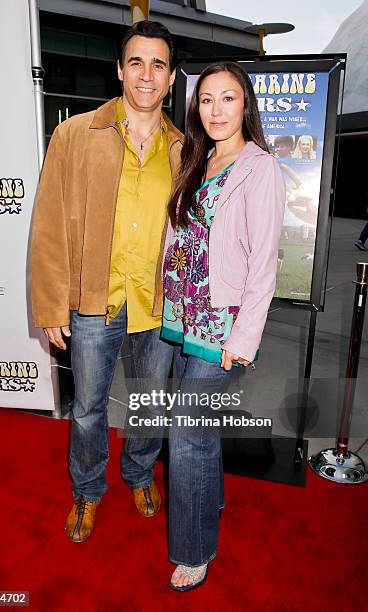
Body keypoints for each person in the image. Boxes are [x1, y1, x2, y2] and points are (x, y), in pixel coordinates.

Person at [30, 21, 182, 542]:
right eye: (136, 62)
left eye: (157, 64)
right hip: (95, 300)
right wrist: (50, 305)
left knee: (149, 402)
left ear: (171, 77)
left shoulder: (186, 149)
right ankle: (88, 490)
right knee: (89, 408)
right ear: (119, 69)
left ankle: (140, 474)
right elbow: (48, 223)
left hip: (158, 305)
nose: (146, 74)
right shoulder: (75, 134)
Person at [162, 61, 286, 590]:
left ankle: (194, 548)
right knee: (201, 433)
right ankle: (208, 501)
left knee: (186, 431)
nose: (215, 110)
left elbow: (264, 263)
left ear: (245, 105)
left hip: (224, 325)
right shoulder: (201, 157)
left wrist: (244, 339)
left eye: (227, 98)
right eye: (206, 99)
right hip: (187, 313)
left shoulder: (260, 168)